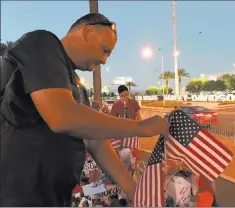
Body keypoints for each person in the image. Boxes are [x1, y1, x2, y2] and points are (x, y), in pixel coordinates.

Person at [0, 13, 168, 206]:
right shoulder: (42, 43)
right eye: (105, 51)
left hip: (53, 198)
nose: (105, 61)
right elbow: (62, 116)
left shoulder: (77, 89)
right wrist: (141, 127)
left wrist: (137, 194)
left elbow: (96, 142)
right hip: (15, 196)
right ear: (87, 32)